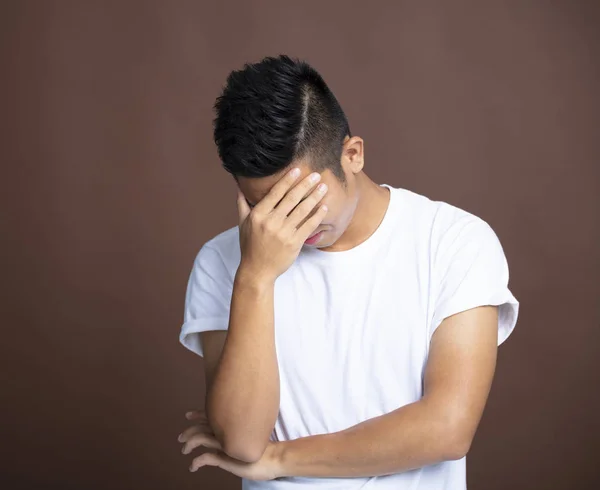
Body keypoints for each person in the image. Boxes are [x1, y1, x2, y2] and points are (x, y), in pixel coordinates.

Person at [177, 54, 519, 490]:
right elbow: (243, 442)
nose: (289, 225)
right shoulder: (222, 262)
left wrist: (280, 458)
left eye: (302, 200)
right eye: (265, 206)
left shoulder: (455, 242)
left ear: (352, 155)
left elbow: (448, 428)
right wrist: (256, 278)